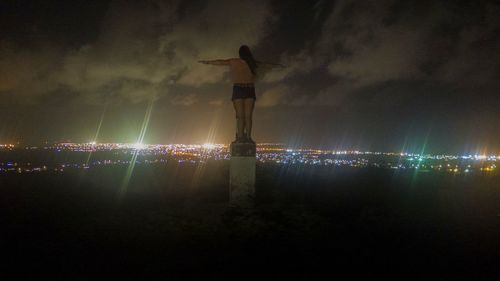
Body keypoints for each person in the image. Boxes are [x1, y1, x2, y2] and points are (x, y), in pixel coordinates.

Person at [198, 45, 284, 144]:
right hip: (249, 89)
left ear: (240, 54)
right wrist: (279, 66)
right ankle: (248, 137)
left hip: (238, 89)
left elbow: (220, 62)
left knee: (240, 116)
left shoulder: (234, 61)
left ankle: (240, 137)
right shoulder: (252, 63)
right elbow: (267, 65)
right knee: (248, 116)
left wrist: (207, 62)